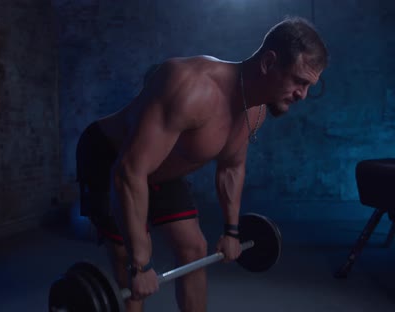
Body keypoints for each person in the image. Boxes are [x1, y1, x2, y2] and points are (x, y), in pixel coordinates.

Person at [76, 16, 329, 312]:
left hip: (162, 168)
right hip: (111, 157)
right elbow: (129, 172)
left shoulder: (256, 110)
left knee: (194, 250)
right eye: (299, 81)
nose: (303, 95)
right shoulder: (190, 86)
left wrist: (232, 231)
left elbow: (231, 168)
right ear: (268, 62)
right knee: (129, 266)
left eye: (309, 85)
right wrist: (140, 263)